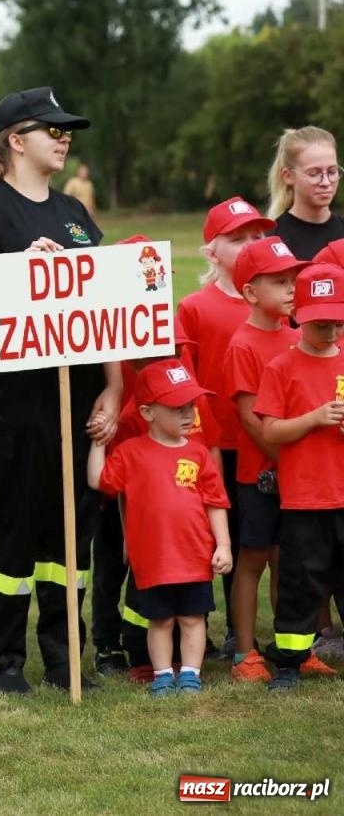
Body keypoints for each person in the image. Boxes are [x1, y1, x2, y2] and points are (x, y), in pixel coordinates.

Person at [0, 87, 120, 694]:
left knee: (71, 532)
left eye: (67, 129)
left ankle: (65, 654)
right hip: (17, 408)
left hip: (80, 401)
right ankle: (7, 660)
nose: (65, 137)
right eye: (53, 128)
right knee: (17, 526)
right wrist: (20, 269)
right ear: (16, 140)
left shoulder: (75, 211)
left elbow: (104, 310)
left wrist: (113, 392)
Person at [87, 361, 232, 697]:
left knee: (193, 618)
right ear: (147, 412)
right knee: (161, 621)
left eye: (191, 406)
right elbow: (99, 480)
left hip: (194, 555)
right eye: (177, 407)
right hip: (154, 559)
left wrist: (222, 545)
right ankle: (164, 674)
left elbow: (216, 502)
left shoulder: (198, 454)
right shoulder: (130, 452)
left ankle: (192, 674)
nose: (188, 414)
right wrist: (99, 440)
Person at [175, 196, 276, 657]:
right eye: (239, 240)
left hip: (265, 444)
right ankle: (193, 628)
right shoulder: (195, 307)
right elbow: (185, 380)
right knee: (214, 538)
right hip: (211, 448)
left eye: (259, 236)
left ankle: (247, 634)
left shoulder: (276, 305)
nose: (252, 245)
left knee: (260, 540)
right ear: (212, 252)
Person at [254, 261, 344, 690]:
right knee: (299, 582)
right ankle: (289, 662)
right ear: (298, 317)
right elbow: (269, 430)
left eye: (337, 324)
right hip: (305, 499)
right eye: (320, 324)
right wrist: (314, 418)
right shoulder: (281, 368)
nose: (329, 333)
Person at [223, 236, 304, 682]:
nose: (292, 288)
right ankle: (245, 653)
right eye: (280, 281)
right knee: (253, 558)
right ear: (251, 292)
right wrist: (290, 461)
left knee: (286, 560)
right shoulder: (243, 344)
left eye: (294, 279)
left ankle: (291, 645)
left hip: (298, 473)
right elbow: (252, 420)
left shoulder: (299, 337)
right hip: (261, 475)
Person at [267, 126, 344, 259]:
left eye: (332, 172)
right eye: (314, 173)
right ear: (288, 176)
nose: (326, 182)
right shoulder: (273, 241)